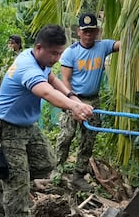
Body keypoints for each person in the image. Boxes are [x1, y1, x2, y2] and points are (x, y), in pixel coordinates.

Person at [0, 24, 94, 217]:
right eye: (54, 53)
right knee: (18, 183)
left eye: (60, 53)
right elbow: (45, 91)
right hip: (4, 128)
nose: (57, 58)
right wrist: (73, 107)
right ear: (39, 48)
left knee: (46, 163)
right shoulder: (27, 66)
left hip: (26, 126)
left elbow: (51, 79)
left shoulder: (39, 59)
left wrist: (72, 96)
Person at [52, 11, 121, 173]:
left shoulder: (102, 46)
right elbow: (65, 81)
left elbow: (122, 44)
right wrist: (73, 102)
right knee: (67, 135)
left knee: (88, 138)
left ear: (97, 31)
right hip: (74, 98)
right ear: (79, 32)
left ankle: (79, 173)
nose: (88, 35)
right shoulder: (71, 52)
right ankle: (56, 170)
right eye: (85, 31)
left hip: (93, 100)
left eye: (91, 31)